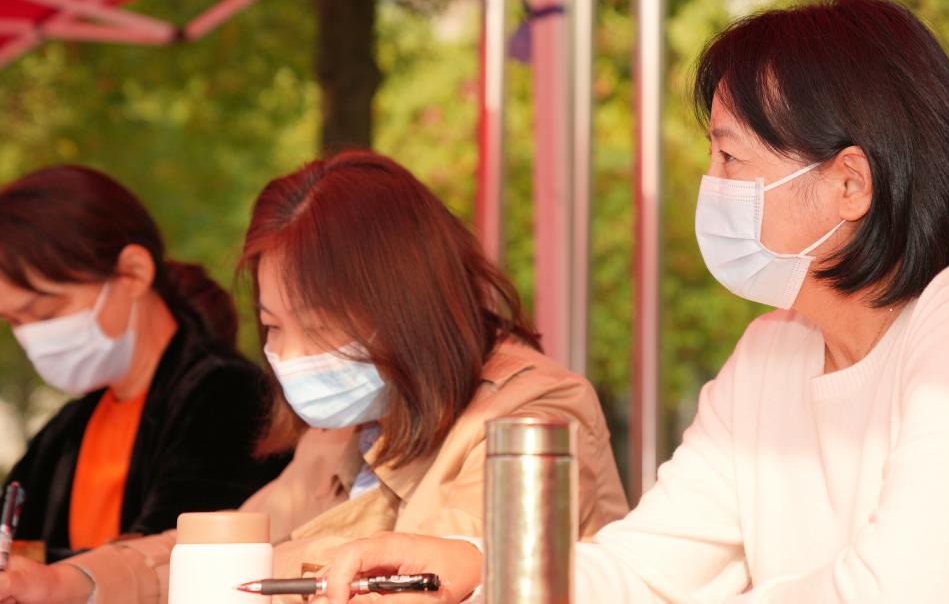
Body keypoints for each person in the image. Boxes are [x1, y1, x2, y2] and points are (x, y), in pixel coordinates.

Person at [315, 0, 949, 603]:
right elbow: (646, 572)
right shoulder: (771, 354)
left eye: (730, 157)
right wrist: (473, 566)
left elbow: (899, 589)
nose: (709, 185)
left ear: (848, 183)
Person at [0, 151, 628, 604]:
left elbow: (442, 568)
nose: (293, 357)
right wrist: (72, 581)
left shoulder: (534, 411)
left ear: (407, 304)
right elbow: (223, 543)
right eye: (273, 328)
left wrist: (237, 574)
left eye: (320, 326)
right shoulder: (343, 431)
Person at [0, 165, 285, 567]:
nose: (32, 337)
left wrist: (46, 572)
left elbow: (177, 559)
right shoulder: (67, 429)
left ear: (134, 272)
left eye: (46, 313)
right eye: (14, 322)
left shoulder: (228, 399)